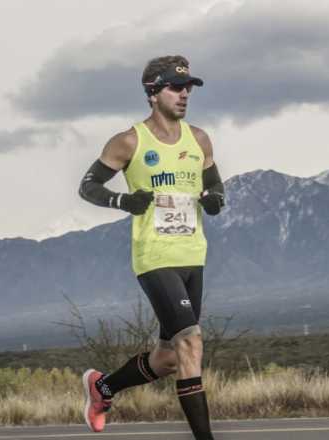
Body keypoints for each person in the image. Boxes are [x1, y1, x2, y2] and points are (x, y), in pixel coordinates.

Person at [77, 55, 225, 439]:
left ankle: (102, 388)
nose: (185, 94)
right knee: (191, 343)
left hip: (193, 255)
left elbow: (216, 188)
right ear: (153, 93)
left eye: (188, 87)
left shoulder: (200, 140)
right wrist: (122, 202)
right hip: (155, 257)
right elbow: (88, 186)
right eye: (176, 87)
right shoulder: (129, 141)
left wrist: (213, 199)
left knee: (169, 358)